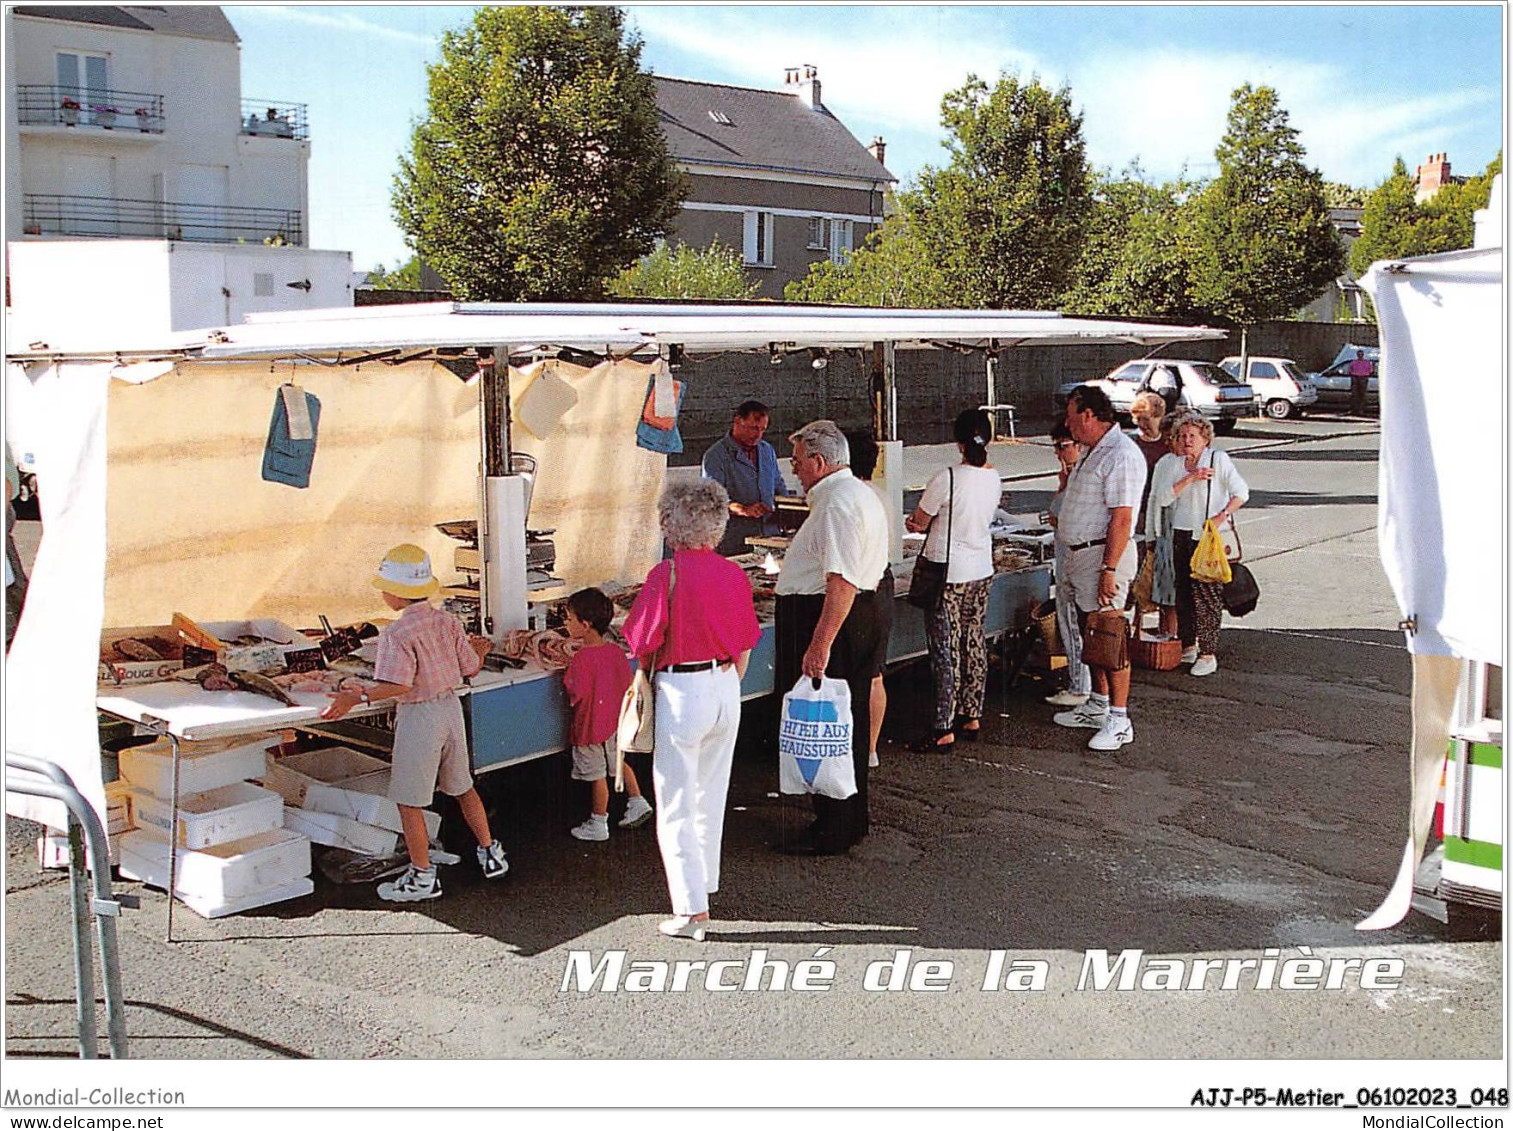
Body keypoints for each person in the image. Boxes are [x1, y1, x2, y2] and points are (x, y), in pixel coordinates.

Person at [321, 544, 509, 902]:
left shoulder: (395, 634)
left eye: (384, 586)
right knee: (463, 787)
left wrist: (356, 696)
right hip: (450, 709)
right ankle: (490, 853)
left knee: (409, 802)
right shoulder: (448, 621)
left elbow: (400, 685)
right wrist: (481, 651)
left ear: (396, 592)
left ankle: (422, 876)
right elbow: (470, 667)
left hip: (420, 716)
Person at [622, 480, 760, 940]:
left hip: (682, 690)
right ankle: (704, 885)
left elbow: (641, 642)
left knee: (677, 803)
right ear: (717, 527)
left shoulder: (666, 574)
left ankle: (691, 910)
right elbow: (745, 647)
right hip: (724, 687)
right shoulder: (734, 574)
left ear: (668, 524)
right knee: (709, 795)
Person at [774, 420, 889, 855]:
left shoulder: (839, 502)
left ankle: (836, 824)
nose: (794, 470)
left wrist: (819, 644)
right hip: (849, 617)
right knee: (843, 724)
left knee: (831, 726)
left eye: (798, 461)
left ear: (819, 462)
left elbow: (840, 582)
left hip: (833, 619)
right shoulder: (852, 494)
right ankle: (841, 817)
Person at [1051, 386, 1147, 751]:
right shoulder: (1094, 451)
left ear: (1089, 415)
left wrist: (1109, 568)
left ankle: (1120, 719)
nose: (1068, 424)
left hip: (1102, 557)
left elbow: (1122, 518)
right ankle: (1098, 704)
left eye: (1072, 416)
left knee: (1109, 637)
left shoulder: (1121, 455)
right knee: (1092, 637)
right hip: (1081, 555)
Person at [904, 409, 1001, 750]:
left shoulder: (947, 477)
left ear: (958, 442)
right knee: (974, 641)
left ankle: (944, 725)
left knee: (946, 649)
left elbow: (919, 521)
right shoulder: (994, 477)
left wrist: (912, 523)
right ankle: (971, 713)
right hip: (981, 569)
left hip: (948, 573)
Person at [1145, 411, 1249, 677]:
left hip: (1207, 538)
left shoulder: (1218, 459)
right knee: (1183, 596)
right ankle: (1188, 645)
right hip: (1180, 536)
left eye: (1193, 436)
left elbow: (1241, 493)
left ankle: (1208, 653)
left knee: (1207, 597)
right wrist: (1190, 478)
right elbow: (1163, 499)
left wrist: (1221, 515)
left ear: (1205, 439)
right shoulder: (1175, 464)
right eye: (1182, 436)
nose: (1187, 440)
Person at [561, 587, 652, 841]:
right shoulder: (615, 652)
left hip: (589, 727)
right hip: (615, 722)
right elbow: (625, 684)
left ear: (585, 624)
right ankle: (637, 801)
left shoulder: (580, 659)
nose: (566, 624)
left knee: (597, 776)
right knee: (619, 763)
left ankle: (598, 822)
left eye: (569, 619)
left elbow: (574, 692)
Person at [844, 429, 894, 770]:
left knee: (851, 673)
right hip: (883, 581)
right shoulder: (882, 495)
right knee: (874, 672)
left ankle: (851, 747)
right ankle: (871, 748)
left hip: (860, 587)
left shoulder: (848, 497)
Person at [702, 400, 792, 556]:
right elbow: (712, 502)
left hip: (770, 538)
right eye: (753, 428)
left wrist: (790, 510)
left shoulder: (767, 450)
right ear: (737, 421)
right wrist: (744, 510)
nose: (758, 435)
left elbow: (779, 485)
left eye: (763, 429)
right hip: (734, 542)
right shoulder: (715, 456)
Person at [1043, 421, 1091, 708]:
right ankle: (1080, 682)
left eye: (1064, 446)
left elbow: (1061, 518)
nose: (1059, 453)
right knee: (1072, 625)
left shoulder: (1080, 479)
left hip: (1073, 564)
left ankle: (1079, 686)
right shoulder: (1071, 477)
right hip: (1068, 560)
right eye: (1056, 447)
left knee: (1073, 627)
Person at [1348, 349, 1374, 415]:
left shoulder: (1367, 362)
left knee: (1362, 395)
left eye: (1361, 354)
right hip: (1355, 378)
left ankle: (1361, 410)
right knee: (1354, 395)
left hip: (1364, 378)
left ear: (1363, 355)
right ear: (1357, 355)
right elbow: (1350, 370)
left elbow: (1371, 371)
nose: (1360, 356)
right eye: (1359, 354)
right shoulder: (1353, 362)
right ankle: (1354, 410)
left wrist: (1365, 375)